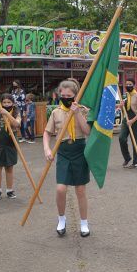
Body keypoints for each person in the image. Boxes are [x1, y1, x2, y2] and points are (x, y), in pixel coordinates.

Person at [44, 79, 92, 237]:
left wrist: (77, 113)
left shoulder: (83, 110)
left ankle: (84, 223)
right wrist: (47, 148)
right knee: (60, 188)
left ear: (75, 95)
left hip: (79, 150)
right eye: (63, 95)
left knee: (80, 190)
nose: (66, 98)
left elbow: (87, 131)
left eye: (69, 95)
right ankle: (61, 219)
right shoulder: (56, 112)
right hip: (63, 151)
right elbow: (47, 133)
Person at [0, 94, 21, 200]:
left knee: (9, 167)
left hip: (10, 144)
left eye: (9, 102)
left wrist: (7, 114)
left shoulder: (16, 114)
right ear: (1, 103)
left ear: (13, 103)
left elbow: (17, 124)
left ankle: (9, 190)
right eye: (4, 102)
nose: (6, 104)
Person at [119, 78, 137, 168]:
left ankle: (136, 162)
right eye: (127, 84)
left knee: (135, 141)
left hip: (135, 120)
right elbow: (123, 110)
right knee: (121, 138)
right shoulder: (125, 96)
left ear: (134, 85)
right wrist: (121, 106)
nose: (128, 86)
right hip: (126, 119)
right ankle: (127, 157)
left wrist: (132, 121)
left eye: (130, 84)